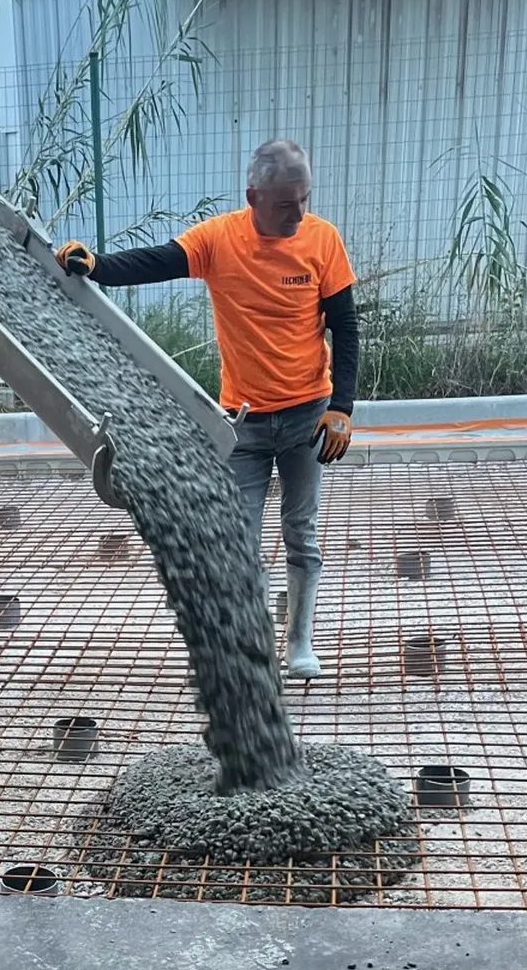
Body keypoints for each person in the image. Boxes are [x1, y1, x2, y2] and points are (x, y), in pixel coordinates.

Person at [57, 137, 358, 680]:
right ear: (254, 197)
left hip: (307, 416)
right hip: (240, 423)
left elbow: (347, 326)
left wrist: (342, 407)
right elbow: (158, 260)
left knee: (301, 531)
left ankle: (301, 640)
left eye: (305, 200)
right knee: (237, 541)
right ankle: (252, 649)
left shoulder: (323, 241)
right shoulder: (220, 240)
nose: (299, 213)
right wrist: (96, 265)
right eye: (287, 203)